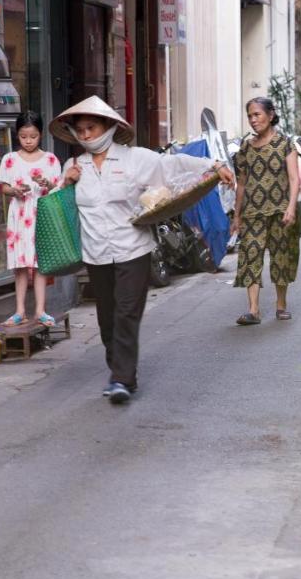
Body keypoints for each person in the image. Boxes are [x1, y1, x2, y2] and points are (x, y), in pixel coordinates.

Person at [56, 97, 234, 404]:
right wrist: (64, 184)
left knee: (127, 311)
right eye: (80, 130)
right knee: (107, 318)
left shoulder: (135, 159)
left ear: (109, 127)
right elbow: (59, 208)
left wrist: (214, 165)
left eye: (91, 128)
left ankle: (122, 378)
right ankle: (119, 368)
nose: (86, 135)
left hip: (132, 248)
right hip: (96, 252)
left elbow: (174, 165)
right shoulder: (73, 166)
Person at [231, 97, 301, 325]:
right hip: (252, 212)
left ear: (270, 116)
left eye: (257, 115)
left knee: (281, 257)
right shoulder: (245, 147)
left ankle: (281, 305)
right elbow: (241, 183)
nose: (253, 120)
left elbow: (294, 178)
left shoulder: (285, 143)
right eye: (250, 116)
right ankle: (253, 310)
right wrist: (237, 214)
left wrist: (291, 207)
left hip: (280, 212)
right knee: (250, 255)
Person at [0, 112, 63, 327]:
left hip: (41, 214)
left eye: (33, 136)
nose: (28, 141)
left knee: (40, 263)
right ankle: (20, 311)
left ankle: (41, 310)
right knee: (20, 264)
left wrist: (46, 183)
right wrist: (15, 190)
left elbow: (57, 188)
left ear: (40, 135)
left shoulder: (50, 159)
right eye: (24, 136)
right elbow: (3, 187)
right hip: (19, 214)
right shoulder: (9, 159)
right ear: (18, 135)